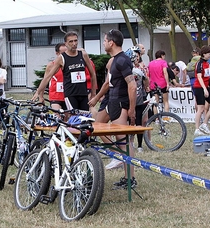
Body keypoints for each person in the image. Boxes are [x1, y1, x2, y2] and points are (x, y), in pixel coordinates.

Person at [101, 29, 137, 188]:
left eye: (104, 40)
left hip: (121, 104)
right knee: (96, 125)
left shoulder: (122, 60)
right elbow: (109, 83)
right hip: (111, 102)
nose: (103, 43)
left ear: (111, 42)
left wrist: (132, 109)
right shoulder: (113, 60)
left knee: (124, 143)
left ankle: (130, 179)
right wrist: (96, 97)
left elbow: (132, 85)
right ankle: (117, 155)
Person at [32, 31, 98, 111]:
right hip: (71, 95)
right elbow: (48, 77)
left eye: (75, 40)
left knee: (85, 119)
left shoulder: (83, 54)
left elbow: (92, 74)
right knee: (74, 119)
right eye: (71, 41)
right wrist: (38, 92)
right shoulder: (62, 58)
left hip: (83, 93)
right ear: (66, 43)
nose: (74, 44)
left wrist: (93, 93)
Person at [193, 45, 210, 136]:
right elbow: (199, 77)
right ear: (204, 54)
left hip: (206, 87)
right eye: (209, 53)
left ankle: (205, 123)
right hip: (199, 87)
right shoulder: (199, 63)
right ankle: (197, 128)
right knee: (201, 109)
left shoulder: (207, 63)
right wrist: (204, 89)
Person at [46, 43, 68, 111]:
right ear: (57, 53)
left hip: (68, 96)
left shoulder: (70, 65)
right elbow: (45, 80)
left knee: (67, 120)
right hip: (55, 97)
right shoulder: (51, 65)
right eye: (62, 53)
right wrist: (40, 96)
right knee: (58, 116)